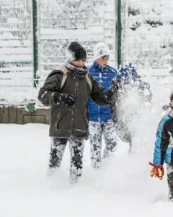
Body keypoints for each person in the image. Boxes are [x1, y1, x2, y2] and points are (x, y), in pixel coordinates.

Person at [38, 41, 120, 184]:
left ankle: (75, 190)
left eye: (83, 60)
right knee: (54, 163)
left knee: (77, 165)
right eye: (78, 60)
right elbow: (43, 95)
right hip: (60, 127)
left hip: (79, 127)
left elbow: (99, 97)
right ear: (70, 59)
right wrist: (58, 97)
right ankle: (50, 188)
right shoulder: (59, 75)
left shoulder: (87, 78)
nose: (81, 63)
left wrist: (110, 95)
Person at [87, 42, 119, 169]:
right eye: (103, 57)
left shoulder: (113, 73)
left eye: (107, 57)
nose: (106, 60)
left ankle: (107, 168)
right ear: (96, 57)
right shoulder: (88, 73)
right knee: (95, 146)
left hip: (108, 116)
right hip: (93, 117)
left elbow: (118, 93)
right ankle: (96, 170)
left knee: (112, 143)